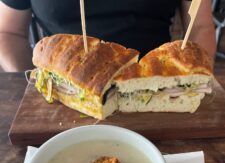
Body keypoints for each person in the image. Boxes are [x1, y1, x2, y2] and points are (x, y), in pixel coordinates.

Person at [0, 0, 216, 72]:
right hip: (62, 90)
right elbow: (8, 32)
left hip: (154, 83)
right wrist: (28, 87)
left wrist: (192, 82)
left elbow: (201, 27)